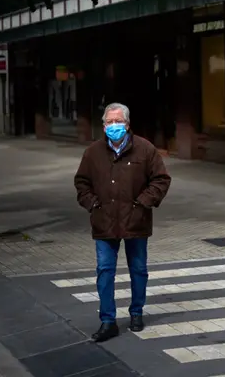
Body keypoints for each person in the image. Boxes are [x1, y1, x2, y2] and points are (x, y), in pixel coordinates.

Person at [74, 102, 171, 342]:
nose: (113, 126)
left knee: (138, 270)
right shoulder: (93, 152)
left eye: (118, 121)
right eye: (109, 122)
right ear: (103, 125)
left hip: (135, 221)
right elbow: (82, 182)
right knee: (105, 271)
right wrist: (93, 204)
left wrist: (143, 203)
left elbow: (161, 180)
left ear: (127, 125)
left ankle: (136, 313)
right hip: (104, 221)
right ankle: (108, 321)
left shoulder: (145, 149)